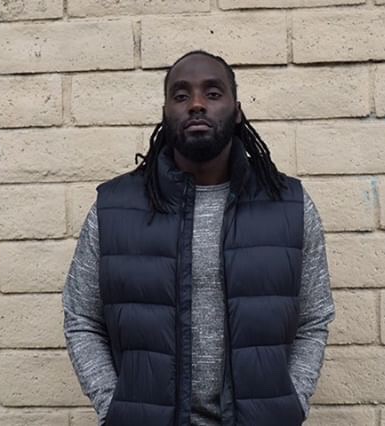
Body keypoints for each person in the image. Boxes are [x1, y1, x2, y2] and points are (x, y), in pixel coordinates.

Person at [63, 50, 335, 426]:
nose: (196, 104)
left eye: (212, 93)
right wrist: (114, 407)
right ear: (165, 112)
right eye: (181, 95)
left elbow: (313, 318)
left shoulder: (288, 205)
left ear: (236, 110)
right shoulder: (114, 208)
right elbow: (82, 317)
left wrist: (291, 404)